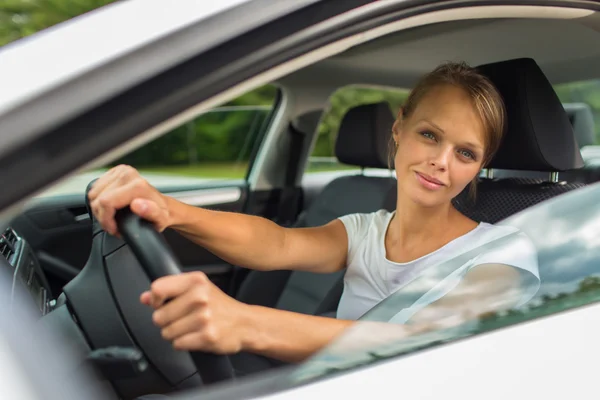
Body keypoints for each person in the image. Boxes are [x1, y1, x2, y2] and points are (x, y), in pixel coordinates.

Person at [87, 62, 540, 366]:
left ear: (480, 165)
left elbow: (423, 341)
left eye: (465, 152)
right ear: (399, 129)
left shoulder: (503, 252)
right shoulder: (366, 230)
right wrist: (168, 209)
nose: (442, 161)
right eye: (429, 134)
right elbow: (276, 243)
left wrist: (245, 322)